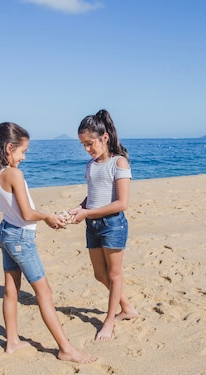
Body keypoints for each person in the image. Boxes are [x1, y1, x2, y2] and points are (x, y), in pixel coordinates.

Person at [0, 122, 96, 363]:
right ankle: (65, 348)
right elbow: (27, 214)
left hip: (6, 233)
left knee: (11, 290)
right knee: (44, 292)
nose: (24, 157)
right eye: (23, 151)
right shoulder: (13, 174)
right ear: (10, 148)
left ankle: (12, 342)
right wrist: (48, 217)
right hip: (20, 237)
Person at [69, 110, 139, 342]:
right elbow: (93, 196)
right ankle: (127, 308)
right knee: (100, 274)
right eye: (83, 145)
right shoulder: (90, 165)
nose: (87, 149)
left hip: (112, 225)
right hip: (92, 224)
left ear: (105, 137)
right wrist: (79, 209)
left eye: (90, 143)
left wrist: (88, 212)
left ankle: (109, 321)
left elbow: (122, 203)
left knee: (114, 274)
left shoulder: (118, 162)